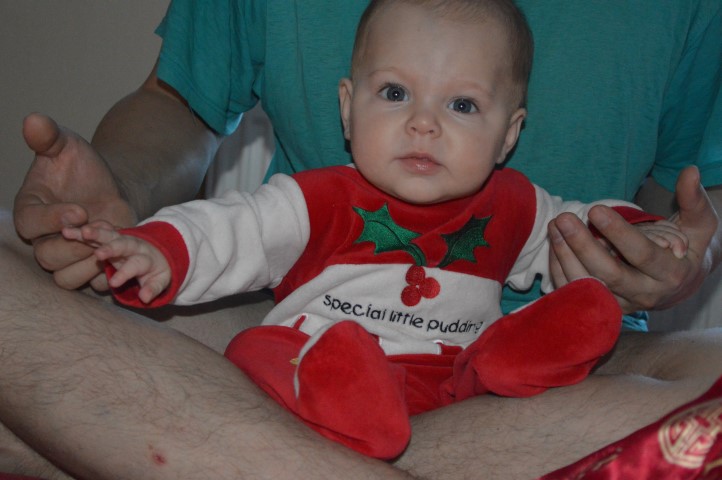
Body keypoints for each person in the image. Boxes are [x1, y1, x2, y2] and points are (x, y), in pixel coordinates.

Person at [2, 0, 721, 479]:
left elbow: (597, 218)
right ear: (348, 108)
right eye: (395, 94)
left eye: (462, 105)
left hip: (460, 372)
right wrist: (155, 244)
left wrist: (657, 243)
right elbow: (233, 228)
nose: (423, 124)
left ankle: (167, 446)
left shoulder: (514, 205)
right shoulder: (321, 199)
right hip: (312, 346)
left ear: (510, 134)